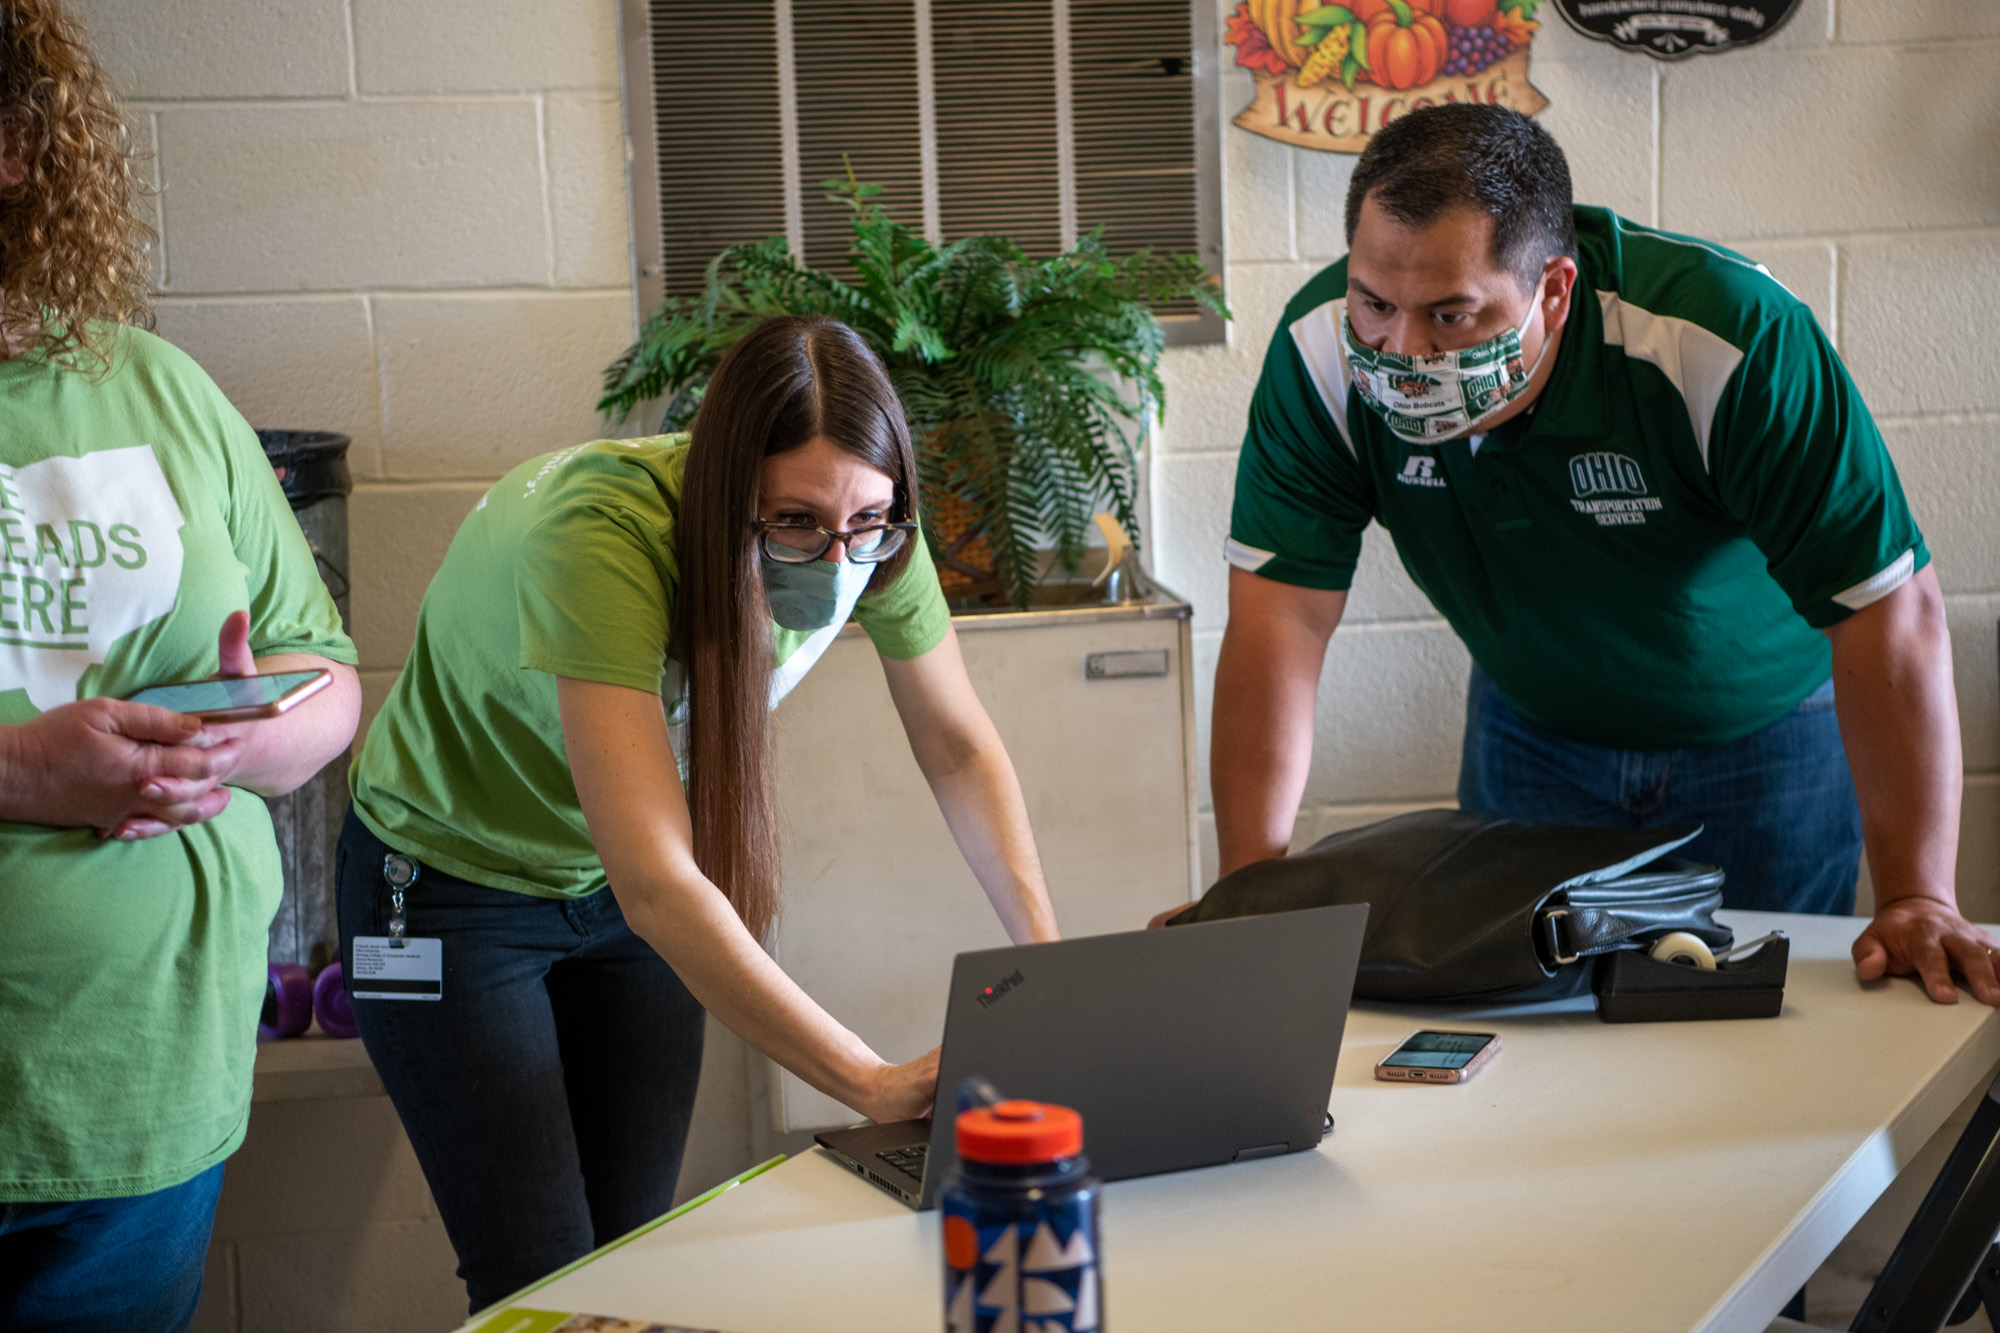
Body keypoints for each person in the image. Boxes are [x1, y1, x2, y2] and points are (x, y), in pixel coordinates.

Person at [339, 313, 1061, 1310]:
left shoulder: (870, 527)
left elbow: (957, 743)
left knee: (633, 1260)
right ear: (727, 498)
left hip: (617, 888)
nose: (837, 554)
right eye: (795, 522)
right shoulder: (601, 534)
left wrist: (1052, 959)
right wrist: (865, 1080)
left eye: (865, 523)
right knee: (538, 1278)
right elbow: (659, 884)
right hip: (445, 893)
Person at [1201, 103, 1992, 1006]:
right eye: (1376, 302)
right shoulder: (1319, 357)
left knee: (1748, 1031)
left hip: (1765, 737)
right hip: (1532, 727)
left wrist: (1917, 892)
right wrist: (1249, 889)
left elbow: (1888, 607)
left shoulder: (1725, 337)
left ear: (1554, 291)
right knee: (1514, 1030)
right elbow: (1281, 620)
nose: (1404, 350)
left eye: (1452, 316)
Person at [0, 2, 363, 1327]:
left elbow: (320, 664)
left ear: (19, 147)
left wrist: (243, 741)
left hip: (138, 1101)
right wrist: (23, 771)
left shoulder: (155, 387)